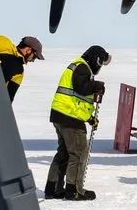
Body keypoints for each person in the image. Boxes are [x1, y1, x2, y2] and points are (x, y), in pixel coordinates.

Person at [47, 45, 111, 201]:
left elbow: (77, 100)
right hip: (70, 119)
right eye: (101, 63)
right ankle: (74, 190)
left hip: (61, 115)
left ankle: (53, 188)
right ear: (96, 60)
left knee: (64, 153)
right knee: (79, 153)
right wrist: (97, 86)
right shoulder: (82, 67)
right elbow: (81, 88)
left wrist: (89, 118)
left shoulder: (77, 66)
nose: (100, 67)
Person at [0, 33, 44, 103]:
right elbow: (8, 100)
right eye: (34, 56)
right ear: (29, 50)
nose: (33, 60)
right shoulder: (18, 69)